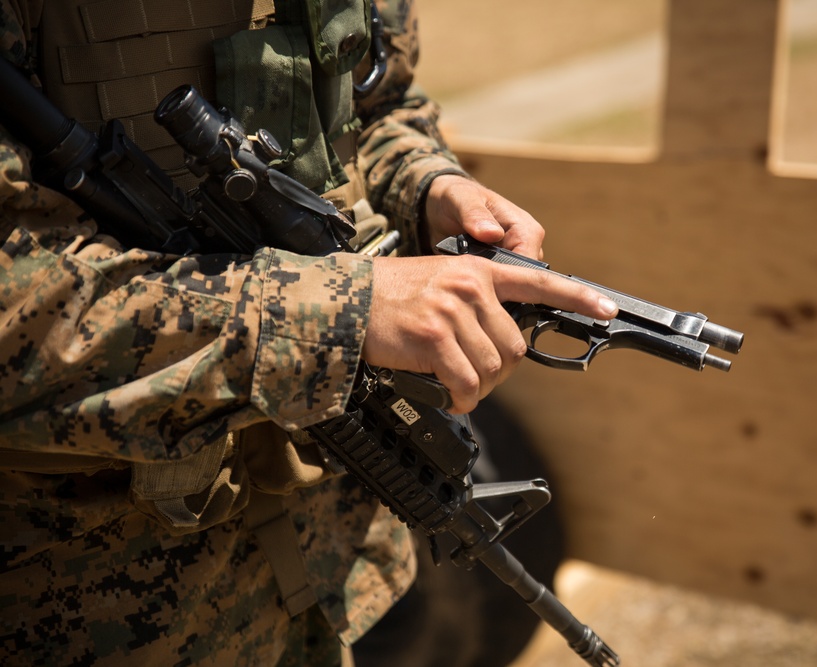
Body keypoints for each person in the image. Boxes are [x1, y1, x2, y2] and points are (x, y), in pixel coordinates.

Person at [0, 0, 618, 664]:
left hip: (337, 569)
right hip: (99, 614)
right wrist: (339, 315)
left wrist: (427, 186)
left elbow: (376, 103)